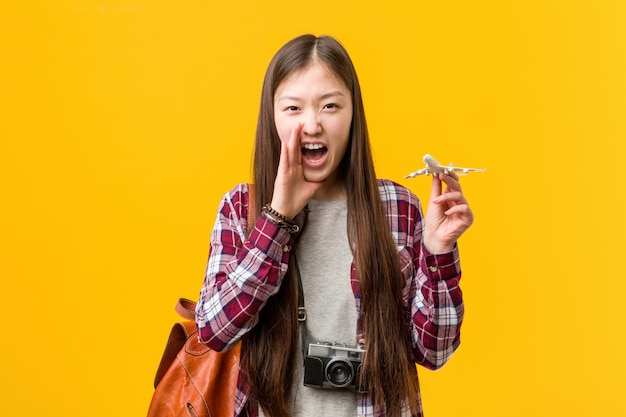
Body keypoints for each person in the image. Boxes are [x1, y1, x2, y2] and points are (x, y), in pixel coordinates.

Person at [196, 34, 473, 417]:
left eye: (330, 106)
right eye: (293, 108)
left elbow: (435, 350)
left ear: (352, 113)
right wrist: (276, 218)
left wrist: (439, 252)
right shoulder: (242, 207)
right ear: (272, 116)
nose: (312, 124)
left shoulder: (397, 207)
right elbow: (213, 329)